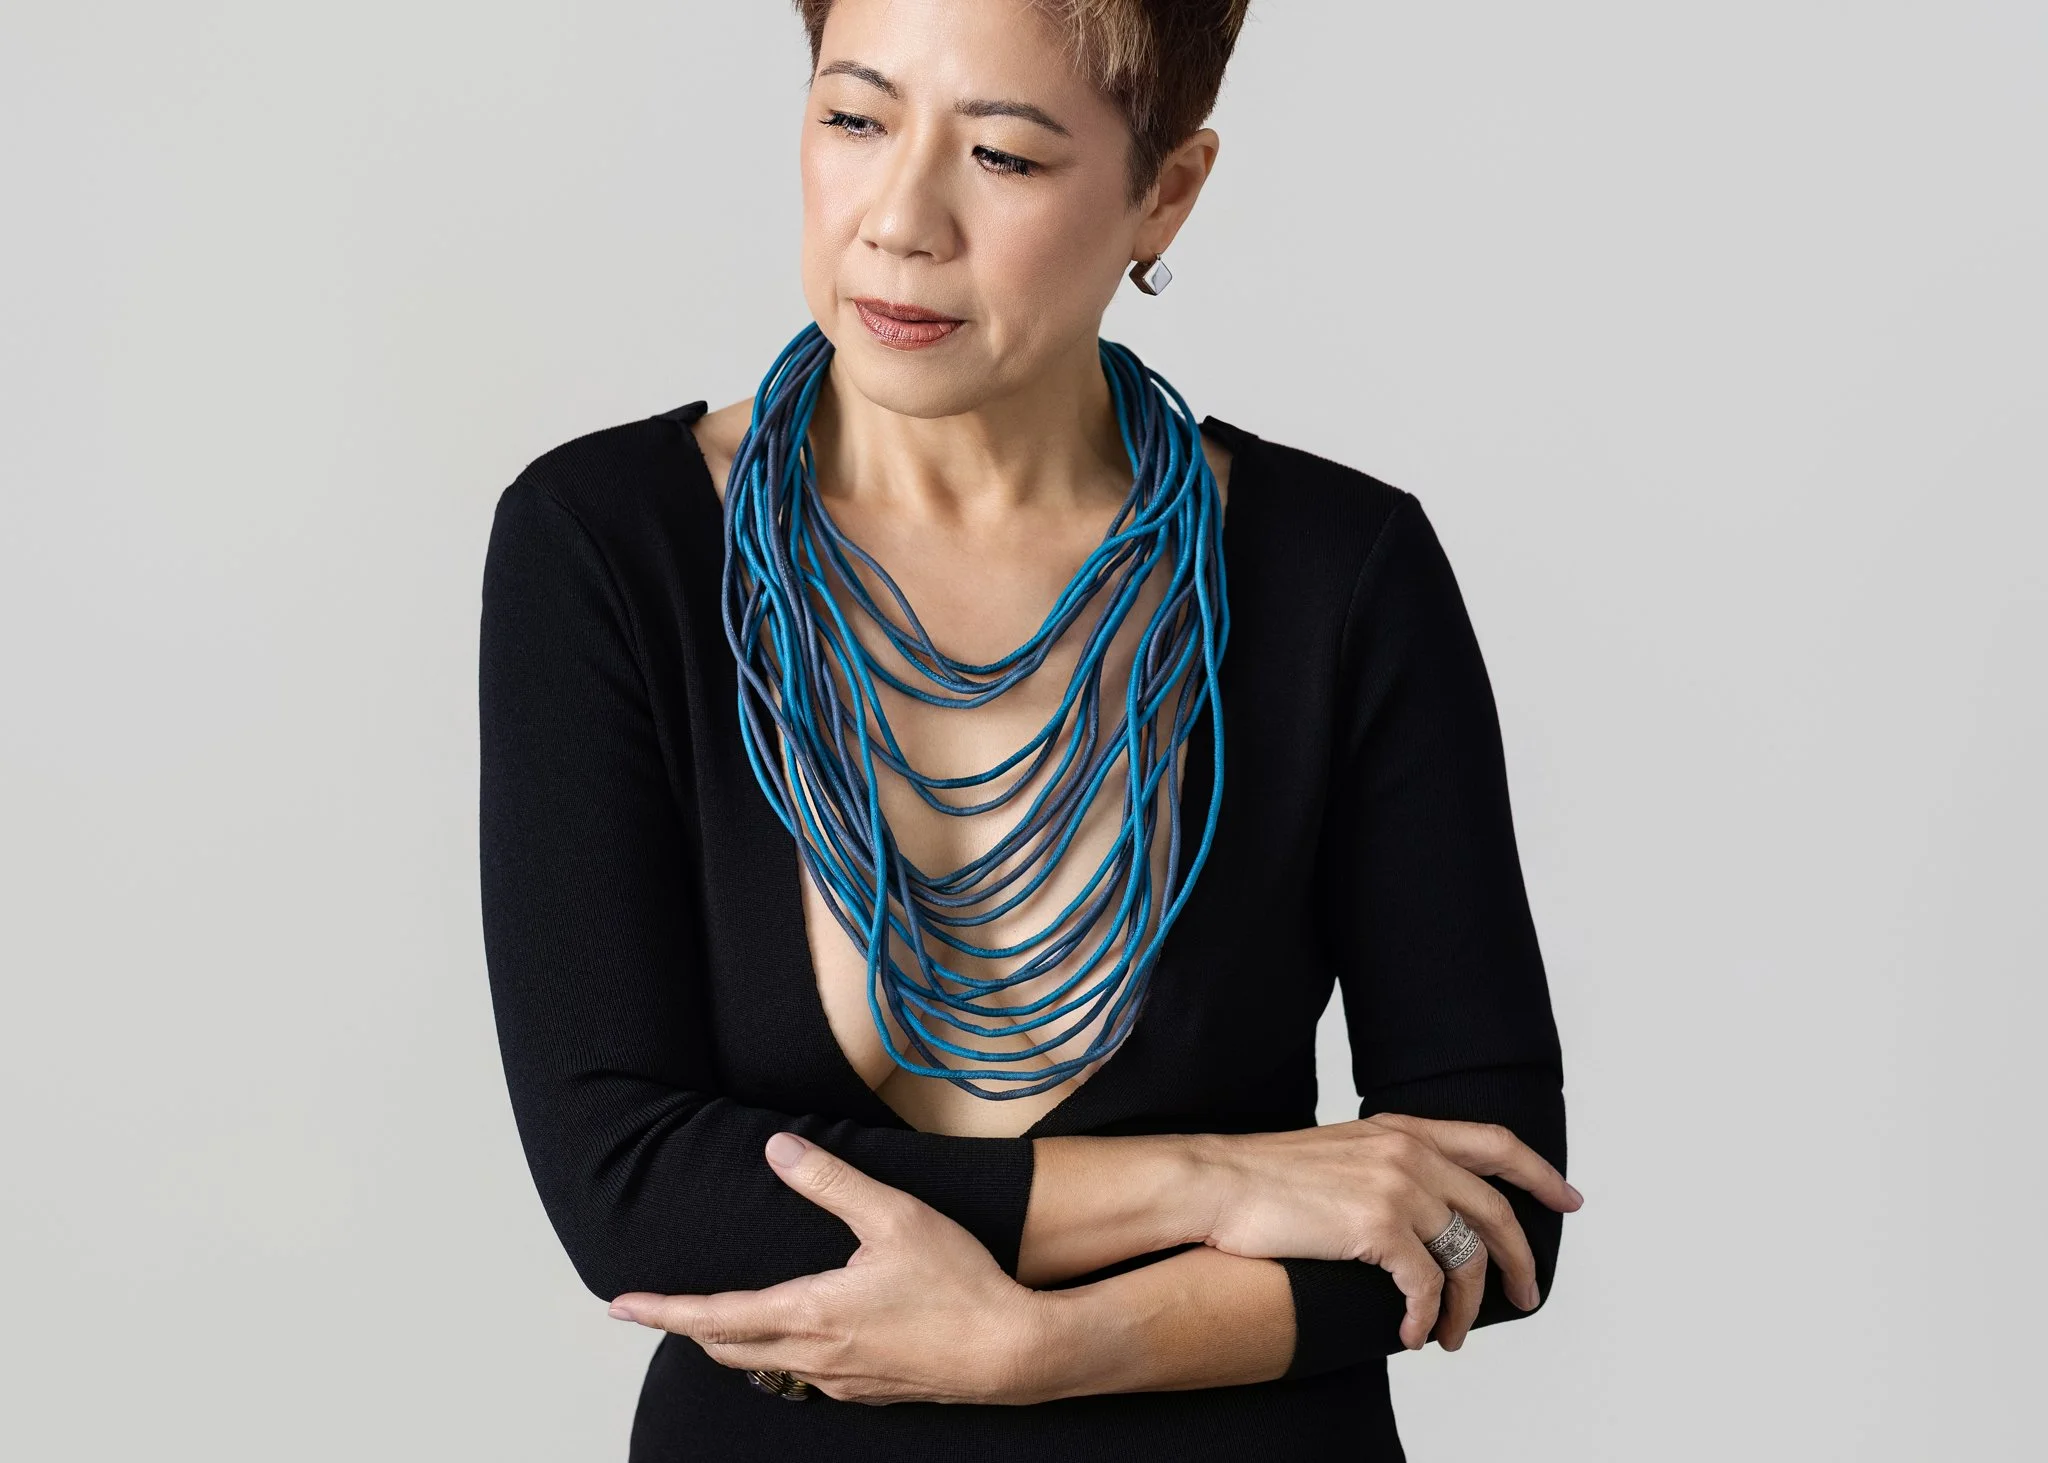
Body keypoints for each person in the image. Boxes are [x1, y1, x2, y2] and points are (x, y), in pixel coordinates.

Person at [477, 1, 1578, 1457]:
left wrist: (1042, 1351)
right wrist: (1210, 1181)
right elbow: (633, 1185)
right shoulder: (608, 548)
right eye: (854, 119)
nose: (901, 219)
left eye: (1001, 154)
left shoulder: (1340, 573)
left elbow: (1485, 1201)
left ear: (1164, 192)